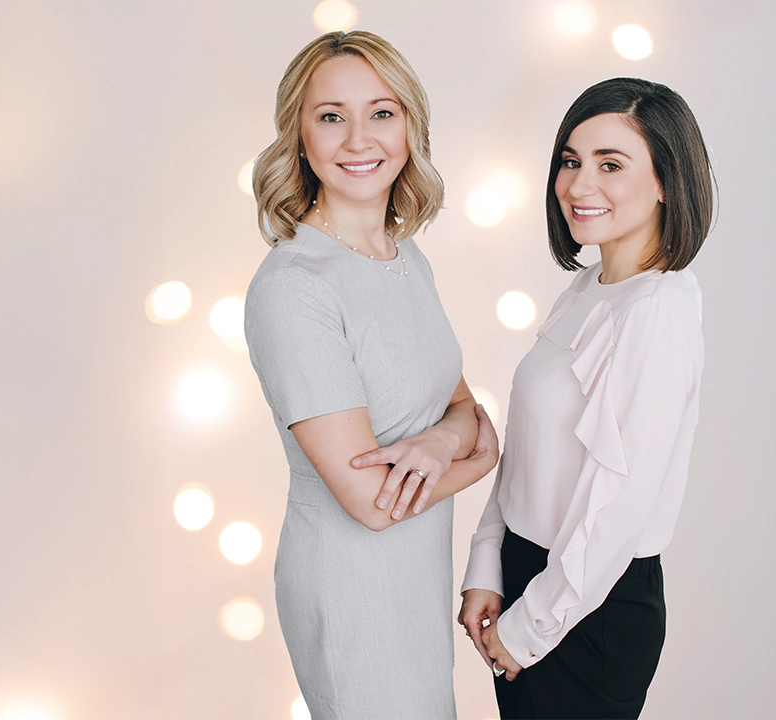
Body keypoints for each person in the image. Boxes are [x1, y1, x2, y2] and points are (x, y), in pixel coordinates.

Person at [244, 31, 498, 720]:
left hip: (416, 579)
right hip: (351, 587)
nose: (360, 138)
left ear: (410, 127)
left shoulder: (405, 257)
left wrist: (446, 441)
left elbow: (459, 405)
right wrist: (478, 458)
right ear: (299, 135)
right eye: (331, 116)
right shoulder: (294, 288)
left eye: (382, 113)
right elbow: (370, 502)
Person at [457, 77, 715, 719]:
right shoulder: (589, 289)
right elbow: (529, 449)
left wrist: (532, 627)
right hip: (531, 578)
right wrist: (488, 563)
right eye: (570, 161)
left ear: (665, 181)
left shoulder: (656, 310)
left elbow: (617, 506)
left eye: (611, 164)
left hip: (588, 608)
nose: (578, 184)